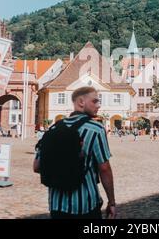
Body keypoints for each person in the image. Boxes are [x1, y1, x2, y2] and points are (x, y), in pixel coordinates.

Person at [33, 86, 116, 219]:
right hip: (86, 205)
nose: (98, 105)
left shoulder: (54, 128)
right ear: (81, 102)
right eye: (95, 101)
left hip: (57, 205)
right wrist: (111, 202)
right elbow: (104, 168)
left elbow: (37, 167)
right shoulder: (96, 129)